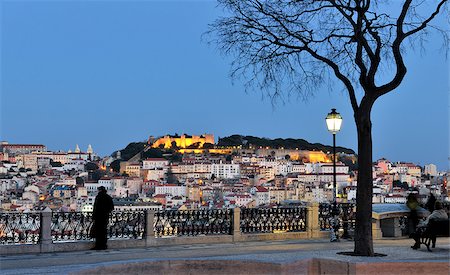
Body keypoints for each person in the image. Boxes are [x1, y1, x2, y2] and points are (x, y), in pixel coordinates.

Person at [91, 186, 114, 250]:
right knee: (104, 231)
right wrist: (106, 212)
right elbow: (112, 207)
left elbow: (95, 208)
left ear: (99, 190)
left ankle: (98, 245)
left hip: (98, 216)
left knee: (98, 232)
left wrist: (93, 216)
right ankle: (104, 245)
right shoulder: (108, 197)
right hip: (105, 217)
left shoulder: (98, 197)